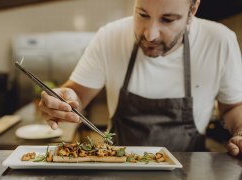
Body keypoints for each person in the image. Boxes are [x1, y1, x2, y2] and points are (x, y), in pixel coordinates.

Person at [39, 0, 242, 155]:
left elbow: (233, 107)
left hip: (189, 171)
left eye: (168, 19)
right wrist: (62, 101)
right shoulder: (110, 36)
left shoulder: (219, 41)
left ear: (192, 10)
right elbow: (77, 95)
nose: (150, 35)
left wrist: (240, 132)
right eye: (142, 14)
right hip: (118, 167)